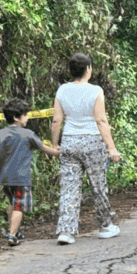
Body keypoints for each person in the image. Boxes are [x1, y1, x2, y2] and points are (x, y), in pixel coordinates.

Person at [51, 53, 122, 243]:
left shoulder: (62, 90)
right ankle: (106, 226)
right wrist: (112, 148)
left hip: (69, 142)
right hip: (92, 142)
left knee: (69, 187)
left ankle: (66, 231)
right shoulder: (96, 91)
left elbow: (57, 119)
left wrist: (55, 144)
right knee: (98, 185)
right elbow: (100, 120)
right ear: (88, 69)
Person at [0, 98, 59, 246]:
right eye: (25, 115)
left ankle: (13, 231)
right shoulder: (28, 134)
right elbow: (43, 148)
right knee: (19, 206)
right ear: (16, 118)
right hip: (20, 178)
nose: (27, 118)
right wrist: (58, 153)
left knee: (12, 203)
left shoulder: (1, 133)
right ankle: (11, 235)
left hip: (4, 176)